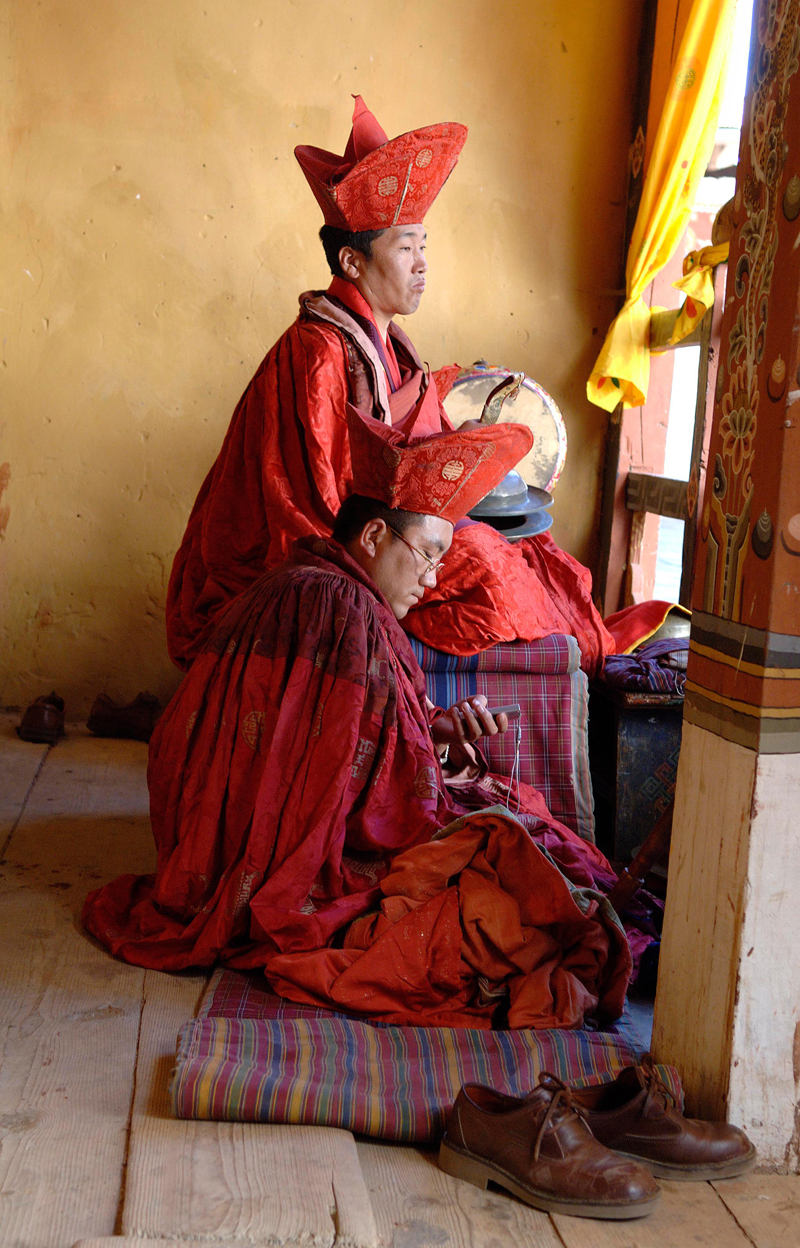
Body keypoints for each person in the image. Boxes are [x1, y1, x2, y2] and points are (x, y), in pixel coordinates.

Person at [84, 415, 632, 1031]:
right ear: (374, 534)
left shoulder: (303, 582)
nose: (430, 581)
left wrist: (440, 733)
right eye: (427, 555)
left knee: (518, 844)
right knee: (505, 884)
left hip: (195, 834)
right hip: (251, 857)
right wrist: (428, 766)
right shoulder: (339, 606)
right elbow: (352, 782)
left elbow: (344, 739)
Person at [166, 96, 614, 676]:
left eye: (423, 245)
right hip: (319, 546)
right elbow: (320, 503)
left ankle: (592, 668)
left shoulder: (387, 340)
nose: (422, 264)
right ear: (352, 264)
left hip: (392, 526)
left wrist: (460, 444)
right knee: (488, 566)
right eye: (406, 249)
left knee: (539, 554)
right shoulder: (320, 351)